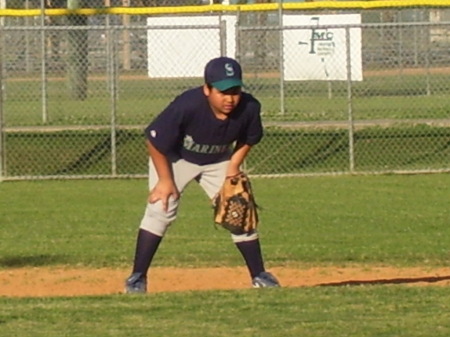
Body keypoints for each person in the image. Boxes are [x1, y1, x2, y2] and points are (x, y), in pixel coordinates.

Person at [125, 56, 280, 293]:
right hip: (175, 159)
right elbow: (154, 141)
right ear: (207, 89)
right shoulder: (187, 105)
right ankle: (137, 278)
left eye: (235, 91)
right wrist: (165, 181)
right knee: (160, 209)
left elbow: (249, 139)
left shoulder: (249, 107)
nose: (230, 98)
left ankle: (260, 275)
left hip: (218, 160)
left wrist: (233, 167)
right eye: (222, 91)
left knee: (239, 211)